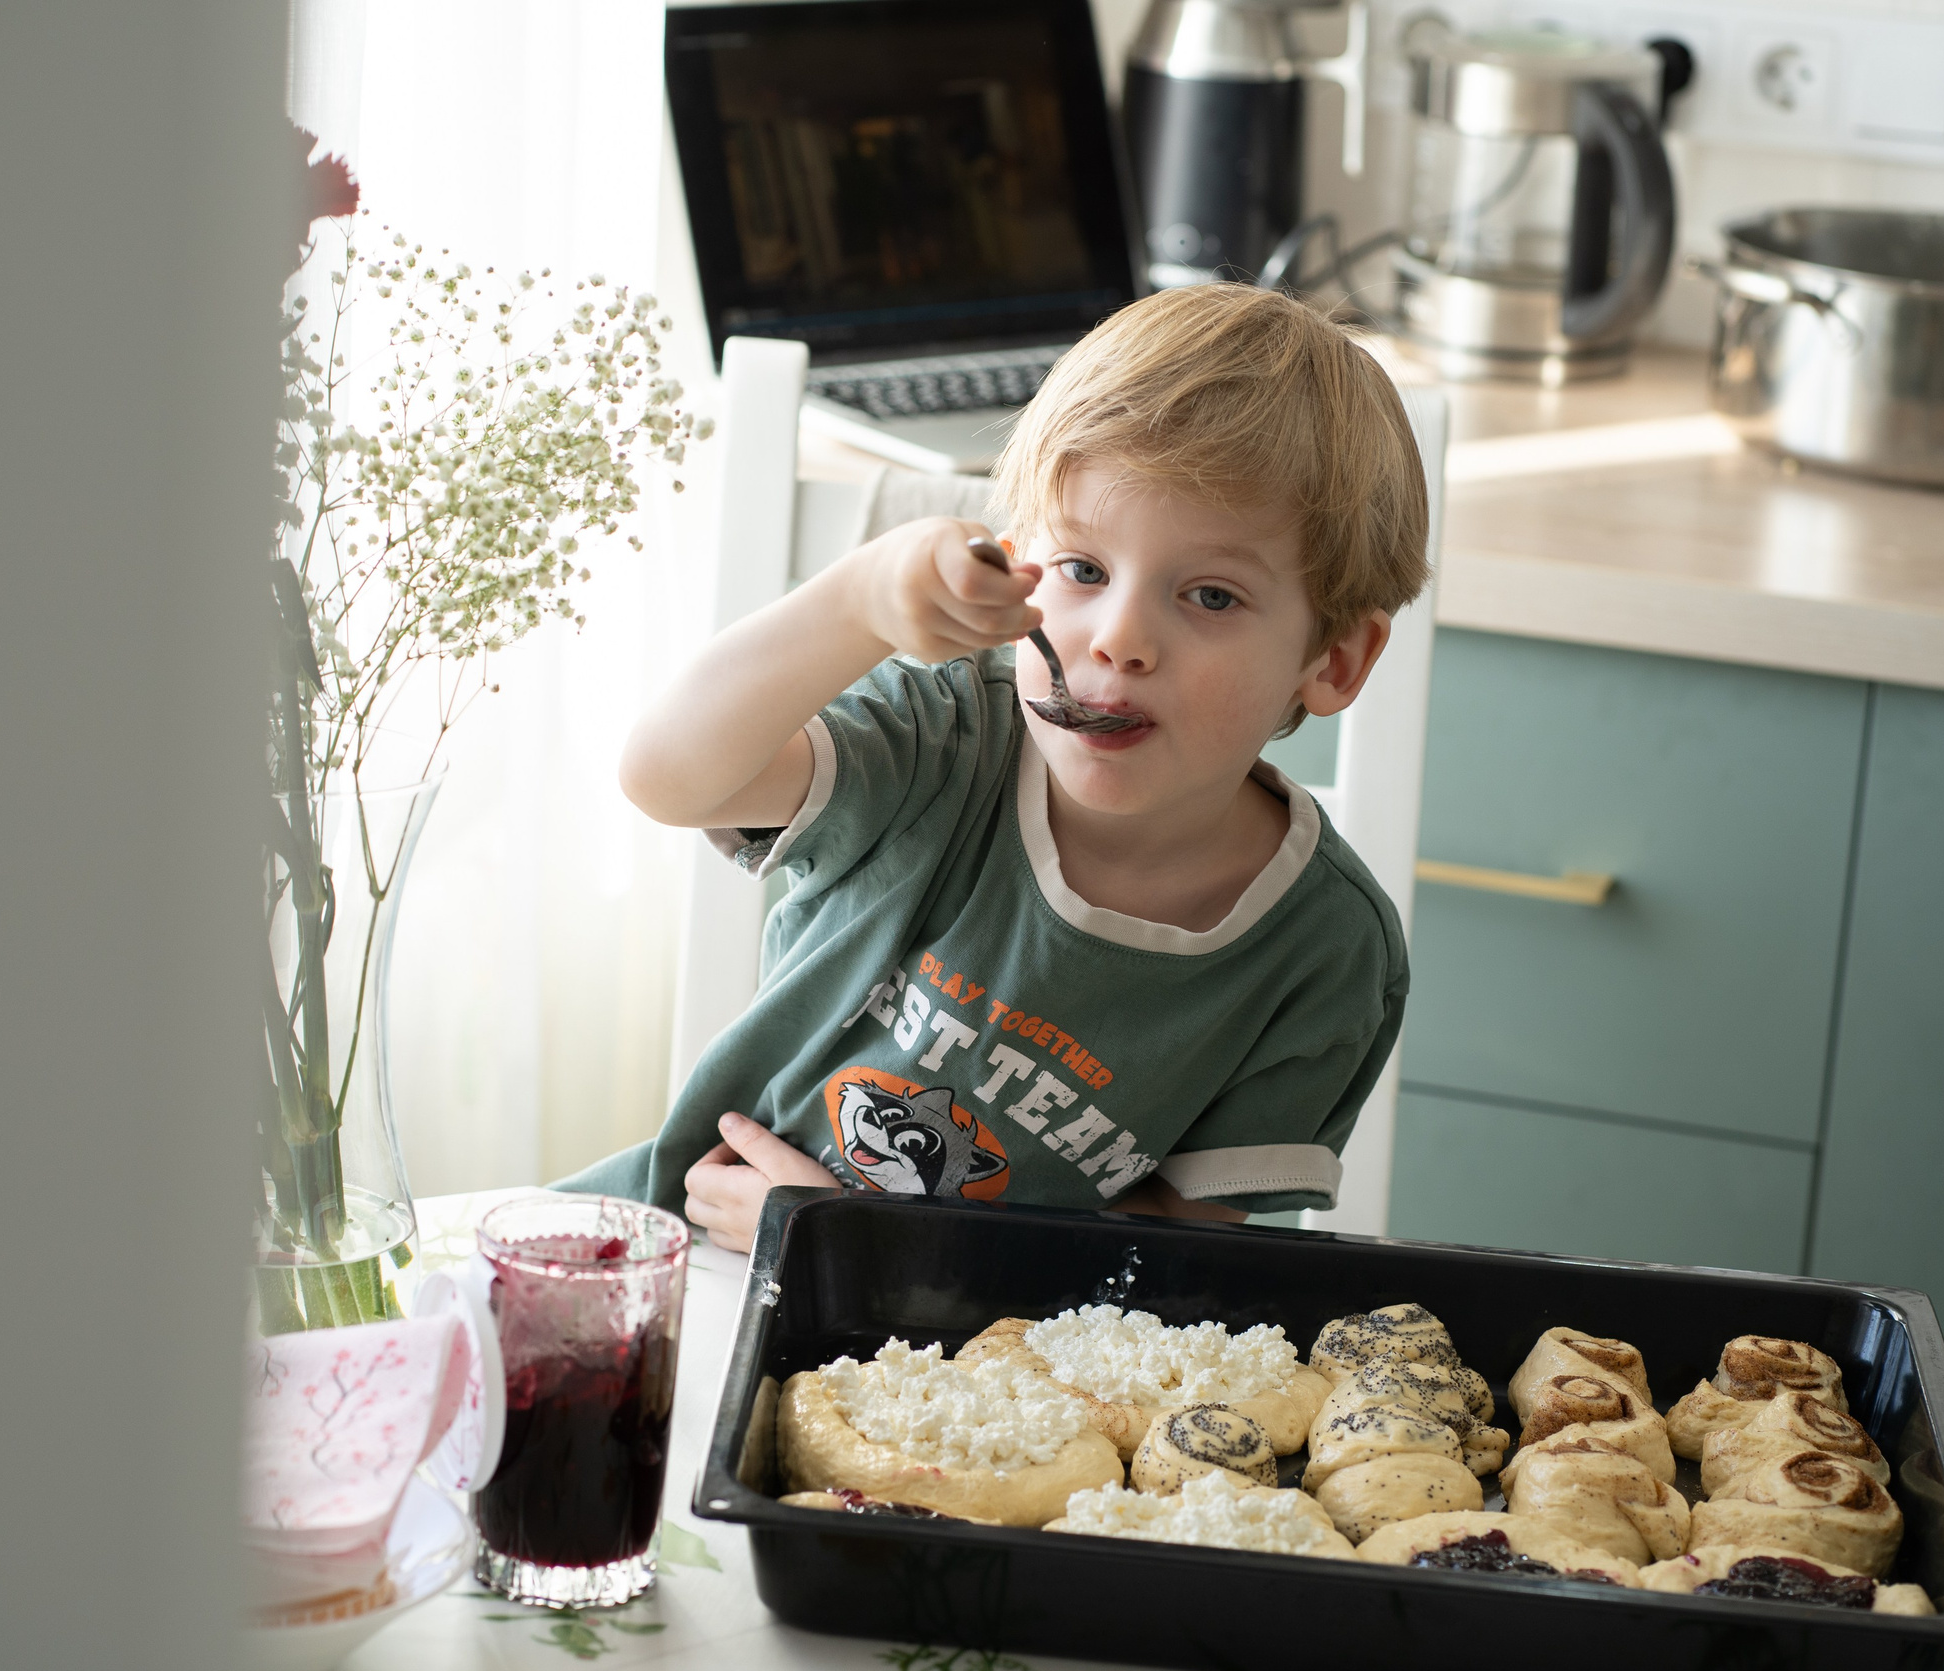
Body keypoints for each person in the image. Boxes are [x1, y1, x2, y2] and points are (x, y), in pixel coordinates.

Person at [557, 283, 1430, 1253]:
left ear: (1334, 660)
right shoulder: (943, 741)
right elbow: (669, 777)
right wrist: (858, 602)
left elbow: (1174, 1272)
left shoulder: (1324, 955)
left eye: (1211, 596)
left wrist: (847, 1242)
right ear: (1020, 564)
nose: (1120, 638)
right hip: (675, 1251)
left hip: (970, 1364)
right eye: (1084, 571)